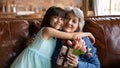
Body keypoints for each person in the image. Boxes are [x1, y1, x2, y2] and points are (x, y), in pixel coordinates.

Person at [10, 6, 95, 68]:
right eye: (55, 17)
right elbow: (72, 36)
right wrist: (89, 33)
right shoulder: (50, 32)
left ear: (78, 25)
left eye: (74, 21)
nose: (69, 22)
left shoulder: (84, 41)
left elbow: (96, 65)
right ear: (48, 18)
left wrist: (78, 64)